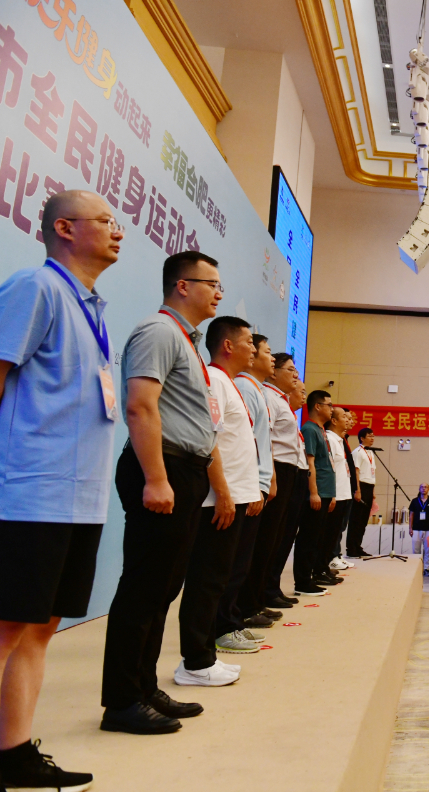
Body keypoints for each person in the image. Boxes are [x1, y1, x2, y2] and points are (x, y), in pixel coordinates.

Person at [0, 191, 120, 786]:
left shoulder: (91, 306)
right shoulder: (36, 287)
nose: (118, 230)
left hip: (81, 499)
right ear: (65, 228)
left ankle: (14, 752)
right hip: (31, 492)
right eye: (106, 221)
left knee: (41, 627)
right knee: (6, 626)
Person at [101, 251, 225, 735]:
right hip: (162, 467)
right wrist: (156, 478)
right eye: (211, 284)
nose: (218, 293)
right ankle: (122, 701)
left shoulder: (184, 340)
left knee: (163, 587)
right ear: (182, 286)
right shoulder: (158, 332)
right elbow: (140, 407)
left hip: (184, 470)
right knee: (143, 587)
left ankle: (144, 687)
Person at [178, 316, 263, 669]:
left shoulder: (228, 383)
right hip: (220, 499)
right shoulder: (213, 379)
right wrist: (223, 493)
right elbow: (207, 439)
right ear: (228, 345)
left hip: (236, 495)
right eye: (248, 342)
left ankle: (216, 637)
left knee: (224, 573)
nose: (253, 349)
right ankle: (199, 654)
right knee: (208, 577)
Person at [223, 334, 277, 636]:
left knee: (245, 559)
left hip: (255, 483)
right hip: (245, 484)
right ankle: (231, 620)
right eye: (264, 351)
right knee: (234, 563)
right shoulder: (244, 387)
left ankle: (237, 616)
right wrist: (255, 483)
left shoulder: (253, 389)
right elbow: (244, 442)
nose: (268, 356)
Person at [257, 353, 304, 610]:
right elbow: (266, 438)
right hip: (277, 469)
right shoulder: (268, 396)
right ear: (274, 372)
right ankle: (261, 593)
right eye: (290, 370)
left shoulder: (281, 400)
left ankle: (270, 587)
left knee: (280, 536)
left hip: (289, 471)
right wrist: (272, 475)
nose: (296, 375)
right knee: (269, 536)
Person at [296, 390, 336, 596]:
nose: (332, 409)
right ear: (318, 406)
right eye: (329, 405)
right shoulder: (309, 429)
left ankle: (311, 576)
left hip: (326, 492)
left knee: (318, 538)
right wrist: (313, 492)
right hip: (317, 491)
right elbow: (309, 462)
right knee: (308, 538)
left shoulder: (321, 430)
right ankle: (302, 581)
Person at [323, 408, 355, 573]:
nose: (349, 420)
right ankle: (327, 562)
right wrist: (332, 494)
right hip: (335, 494)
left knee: (337, 530)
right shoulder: (329, 438)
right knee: (329, 533)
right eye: (344, 417)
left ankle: (332, 558)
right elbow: (328, 469)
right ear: (334, 421)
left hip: (344, 493)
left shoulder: (340, 440)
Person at [348, 428, 376, 558]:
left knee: (363, 520)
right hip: (361, 486)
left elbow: (372, 473)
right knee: (356, 519)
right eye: (369, 436)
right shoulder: (357, 452)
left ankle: (358, 546)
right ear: (362, 438)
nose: (372, 438)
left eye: (373, 436)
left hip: (369, 487)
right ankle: (351, 548)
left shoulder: (370, 452)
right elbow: (356, 472)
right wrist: (357, 490)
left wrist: (373, 491)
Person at [408, 484, 429, 573]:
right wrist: (410, 528)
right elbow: (411, 515)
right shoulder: (414, 501)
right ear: (419, 489)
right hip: (416, 529)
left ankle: (426, 568)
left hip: (428, 529)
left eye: (425, 487)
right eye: (422, 487)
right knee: (416, 550)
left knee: (428, 550)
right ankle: (416, 568)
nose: (423, 488)